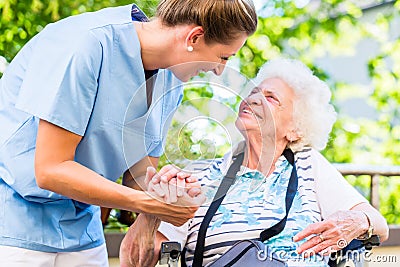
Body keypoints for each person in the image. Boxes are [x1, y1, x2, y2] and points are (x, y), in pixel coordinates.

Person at [0, 0, 258, 266]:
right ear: (194, 37)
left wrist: (169, 193)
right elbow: (50, 169)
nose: (219, 70)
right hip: (14, 226)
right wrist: (148, 203)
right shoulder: (85, 44)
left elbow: (139, 176)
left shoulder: (170, 81)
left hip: (82, 232)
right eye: (223, 56)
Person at [128, 58, 389, 267]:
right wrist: (152, 212)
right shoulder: (199, 175)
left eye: (271, 98)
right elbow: (136, 262)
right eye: (253, 92)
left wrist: (357, 220)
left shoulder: (309, 165)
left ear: (296, 129)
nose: (252, 99)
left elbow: (379, 225)